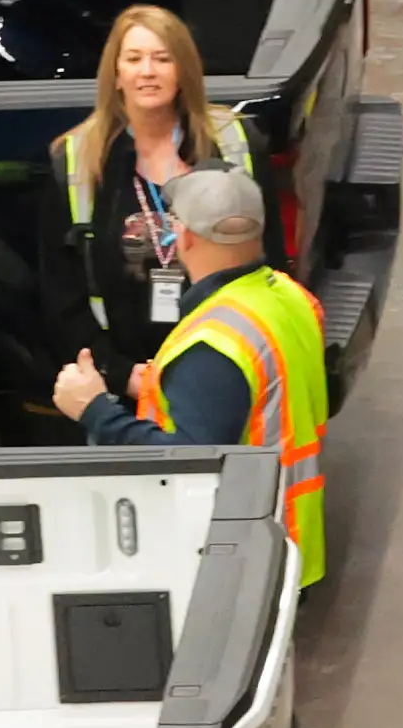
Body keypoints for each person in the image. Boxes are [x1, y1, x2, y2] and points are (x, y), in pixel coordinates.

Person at [57, 169, 333, 591]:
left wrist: (94, 410)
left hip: (238, 564)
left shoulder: (213, 343)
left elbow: (189, 461)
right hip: (289, 545)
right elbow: (266, 394)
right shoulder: (290, 297)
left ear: (184, 237)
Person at [53, 1, 257, 372]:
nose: (148, 72)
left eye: (162, 59)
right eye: (133, 59)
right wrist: (121, 377)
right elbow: (62, 295)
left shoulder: (236, 142)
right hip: (126, 381)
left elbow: (268, 260)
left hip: (225, 368)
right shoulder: (74, 160)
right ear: (115, 74)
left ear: (183, 71)